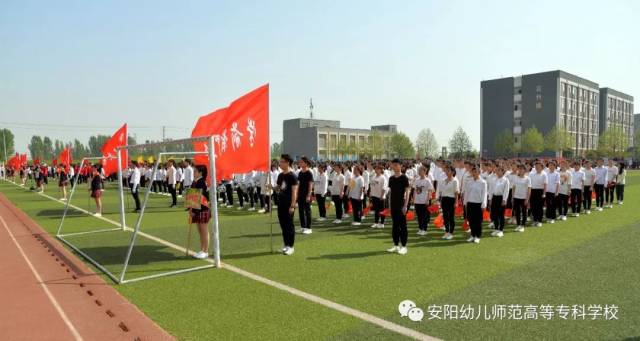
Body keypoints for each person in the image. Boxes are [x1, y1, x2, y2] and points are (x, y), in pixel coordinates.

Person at [386, 159, 411, 255]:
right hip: (393, 205)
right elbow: (391, 192)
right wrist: (389, 205)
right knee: (395, 226)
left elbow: (408, 192)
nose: (395, 167)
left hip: (402, 205)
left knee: (403, 226)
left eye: (396, 165)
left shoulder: (404, 178)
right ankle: (396, 245)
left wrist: (405, 205)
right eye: (393, 165)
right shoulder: (391, 178)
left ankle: (404, 246)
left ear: (400, 166)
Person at [276, 154, 298, 255]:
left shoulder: (292, 176)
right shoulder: (280, 175)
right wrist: (272, 187)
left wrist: (292, 205)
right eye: (280, 162)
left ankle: (291, 246)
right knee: (283, 225)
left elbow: (294, 192)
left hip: (289, 204)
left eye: (282, 162)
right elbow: (279, 188)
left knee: (289, 225)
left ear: (287, 163)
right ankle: (286, 245)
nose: (280, 164)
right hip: (280, 203)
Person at [190, 165, 211, 260]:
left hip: (202, 209)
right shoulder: (196, 182)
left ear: (200, 172)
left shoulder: (201, 182)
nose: (193, 173)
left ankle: (205, 251)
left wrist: (193, 210)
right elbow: (191, 196)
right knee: (200, 231)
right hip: (197, 209)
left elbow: (200, 198)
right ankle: (202, 249)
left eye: (195, 171)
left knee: (204, 231)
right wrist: (190, 209)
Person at [464, 164, 487, 243]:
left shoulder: (483, 182)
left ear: (479, 172)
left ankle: (477, 236)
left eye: (475, 172)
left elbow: (484, 194)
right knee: (471, 220)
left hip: (478, 204)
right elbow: (466, 193)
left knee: (478, 221)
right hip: (470, 203)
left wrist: (483, 204)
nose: (474, 173)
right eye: (472, 172)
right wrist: (465, 202)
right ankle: (472, 235)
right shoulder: (469, 181)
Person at [438, 165, 459, 240]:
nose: (447, 172)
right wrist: (441, 201)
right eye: (446, 171)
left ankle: (451, 232)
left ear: (452, 172)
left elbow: (456, 193)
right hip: (444, 200)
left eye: (448, 171)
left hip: (451, 199)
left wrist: (456, 202)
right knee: (445, 217)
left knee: (451, 217)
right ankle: (447, 232)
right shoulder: (444, 180)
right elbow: (442, 192)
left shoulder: (455, 181)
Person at [413, 165, 434, 236]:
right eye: (419, 170)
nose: (419, 172)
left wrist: (428, 200)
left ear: (425, 171)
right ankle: (420, 228)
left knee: (424, 216)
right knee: (419, 216)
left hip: (424, 201)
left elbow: (430, 190)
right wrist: (413, 199)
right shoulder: (416, 180)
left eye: (421, 170)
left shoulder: (427, 180)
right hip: (417, 201)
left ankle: (424, 229)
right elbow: (414, 190)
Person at [489, 166, 509, 237]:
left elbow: (506, 191)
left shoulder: (506, 180)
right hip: (494, 198)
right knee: (494, 214)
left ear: (503, 172)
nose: (497, 172)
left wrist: (504, 200)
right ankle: (496, 228)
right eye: (497, 171)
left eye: (499, 171)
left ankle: (501, 230)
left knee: (501, 215)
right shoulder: (494, 179)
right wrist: (490, 199)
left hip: (501, 198)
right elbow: (491, 190)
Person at [296, 157, 314, 234]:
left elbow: (310, 185)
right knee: (300, 211)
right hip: (300, 194)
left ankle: (309, 228)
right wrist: (296, 194)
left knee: (307, 211)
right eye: (300, 162)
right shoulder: (300, 173)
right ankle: (303, 227)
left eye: (302, 162)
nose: (300, 163)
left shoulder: (309, 173)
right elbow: (298, 184)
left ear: (306, 163)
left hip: (306, 194)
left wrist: (308, 195)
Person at [512, 164, 530, 232]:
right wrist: (512, 197)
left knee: (524, 212)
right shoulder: (515, 177)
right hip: (516, 197)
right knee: (517, 212)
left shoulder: (527, 178)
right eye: (519, 169)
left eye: (522, 169)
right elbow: (513, 188)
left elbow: (529, 189)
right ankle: (518, 225)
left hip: (524, 198)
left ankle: (522, 225)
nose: (520, 170)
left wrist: (527, 199)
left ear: (525, 170)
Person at [529, 161, 547, 227]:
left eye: (539, 166)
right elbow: (530, 184)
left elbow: (545, 185)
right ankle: (534, 220)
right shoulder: (532, 174)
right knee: (533, 206)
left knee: (539, 207)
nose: (537, 167)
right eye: (536, 166)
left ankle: (539, 221)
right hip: (533, 191)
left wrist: (544, 193)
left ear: (542, 167)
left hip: (540, 191)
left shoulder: (544, 174)